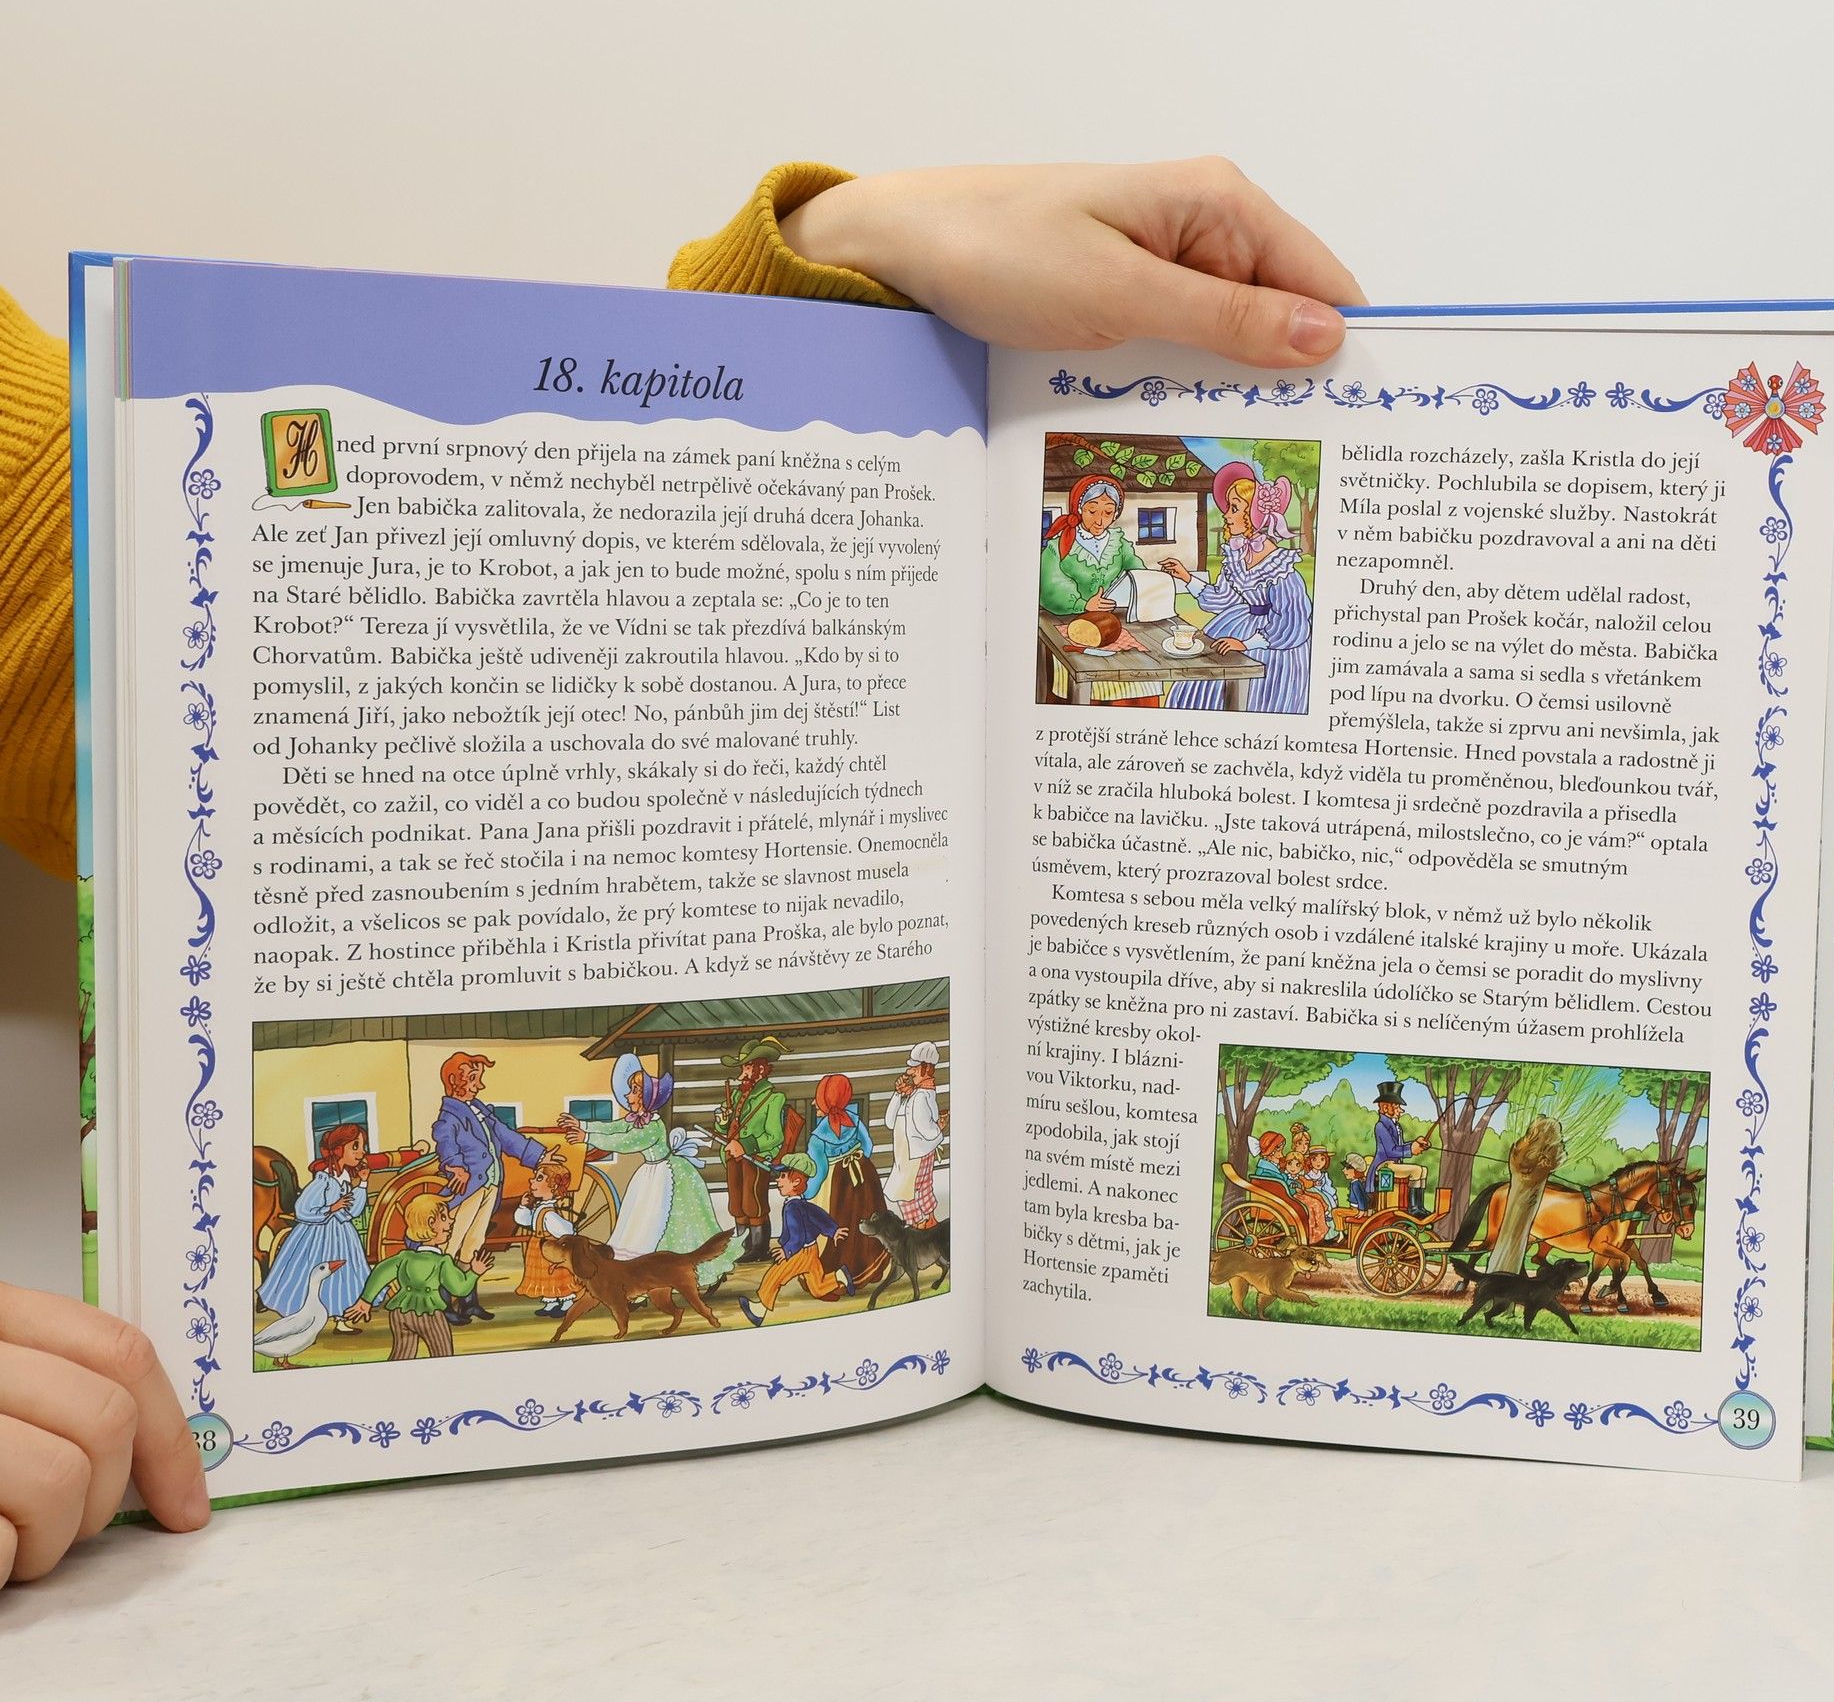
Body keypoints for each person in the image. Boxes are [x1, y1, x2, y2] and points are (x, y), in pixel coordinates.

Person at [0, 157, 1357, 1579]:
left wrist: (839, 262)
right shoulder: (575, 1110)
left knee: (759, 1192)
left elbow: (104, 637)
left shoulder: (729, 1100)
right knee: (583, 1207)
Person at [557, 1052, 743, 1292]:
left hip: (669, 1177)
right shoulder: (637, 1119)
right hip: (649, 1176)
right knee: (640, 1225)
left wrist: (587, 1137)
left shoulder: (652, 1127)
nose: (628, 1095)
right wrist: (583, 1125)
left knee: (671, 1227)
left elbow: (626, 1142)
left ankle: (695, 1274)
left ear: (644, 1097)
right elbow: (614, 1128)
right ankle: (640, 1279)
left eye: (634, 1090)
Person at [1160, 461, 1312, 714]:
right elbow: (1222, 598)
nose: (1226, 515)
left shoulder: (1280, 568)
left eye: (1234, 508)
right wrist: (1186, 577)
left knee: (1253, 694)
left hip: (1272, 645)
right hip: (1239, 622)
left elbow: (1292, 623)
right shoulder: (1239, 557)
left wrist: (1247, 643)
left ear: (1253, 516)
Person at [432, 1052, 563, 1325]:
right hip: (468, 1188)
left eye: (478, 1079)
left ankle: (469, 1303)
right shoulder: (450, 1116)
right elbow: (445, 1141)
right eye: (472, 1079)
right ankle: (443, 1305)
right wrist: (455, 1166)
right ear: (454, 1081)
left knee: (473, 1244)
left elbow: (506, 1136)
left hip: (489, 1186)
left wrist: (540, 1156)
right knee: (452, 1245)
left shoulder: (479, 1109)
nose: (479, 1085)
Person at [1038, 473, 1161, 707]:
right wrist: (1083, 604)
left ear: (1116, 514)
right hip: (1071, 622)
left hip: (1115, 623)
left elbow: (1136, 571)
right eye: (1092, 510)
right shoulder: (1060, 545)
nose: (1099, 520)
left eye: (1108, 512)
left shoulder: (1118, 543)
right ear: (1079, 509)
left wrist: (1146, 586)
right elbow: (1050, 584)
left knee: (1136, 665)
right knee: (1083, 669)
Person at [344, 1192, 490, 1359]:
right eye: (444, 1217)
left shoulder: (404, 1257)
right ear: (431, 1223)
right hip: (430, 1314)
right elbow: (460, 1288)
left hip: (400, 1313)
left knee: (402, 1355)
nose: (451, 1221)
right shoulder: (442, 1262)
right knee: (443, 1356)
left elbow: (381, 1271)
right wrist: (474, 1272)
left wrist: (365, 1300)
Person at [256, 1122, 372, 1333]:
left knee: (343, 1276)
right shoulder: (324, 1180)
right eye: (355, 1146)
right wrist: (332, 1207)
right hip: (316, 1236)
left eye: (362, 1146)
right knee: (311, 1274)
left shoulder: (344, 1179)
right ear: (339, 1150)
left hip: (342, 1235)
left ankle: (341, 1320)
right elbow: (303, 1209)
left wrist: (363, 1184)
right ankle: (305, 1321)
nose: (361, 1152)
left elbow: (352, 1211)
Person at [735, 1155, 853, 1327]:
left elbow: (797, 1235)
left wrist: (787, 1251)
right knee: (817, 1286)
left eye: (783, 1176)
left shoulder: (792, 1208)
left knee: (774, 1276)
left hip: (799, 1253)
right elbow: (818, 1216)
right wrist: (833, 1230)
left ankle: (759, 1310)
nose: (778, 1180)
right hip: (811, 1251)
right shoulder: (802, 1204)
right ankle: (839, 1276)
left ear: (796, 1181)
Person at [804, 1073, 889, 1288]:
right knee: (866, 1215)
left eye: (818, 1099)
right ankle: (871, 1267)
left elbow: (818, 1171)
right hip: (864, 1175)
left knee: (841, 1220)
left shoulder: (817, 1138)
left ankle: (839, 1271)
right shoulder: (855, 1120)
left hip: (838, 1183)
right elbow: (867, 1146)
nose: (814, 1103)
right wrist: (859, 1162)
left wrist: (807, 1193)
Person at [711, 1035, 790, 1263]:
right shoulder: (737, 1095)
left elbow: (775, 1137)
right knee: (736, 1203)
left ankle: (758, 1248)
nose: (743, 1072)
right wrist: (722, 1122)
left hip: (755, 1159)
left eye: (747, 1066)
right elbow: (728, 1127)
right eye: (743, 1067)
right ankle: (742, 1244)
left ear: (761, 1070)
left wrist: (745, 1145)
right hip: (732, 1157)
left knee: (753, 1202)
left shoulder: (773, 1098)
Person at [883, 1041, 946, 1227]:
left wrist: (938, 1129)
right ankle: (926, 1222)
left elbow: (926, 1128)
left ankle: (919, 1225)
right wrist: (899, 1094)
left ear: (926, 1069)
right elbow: (889, 1121)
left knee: (905, 1192)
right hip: (907, 1155)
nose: (910, 1072)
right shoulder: (914, 1094)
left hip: (915, 1154)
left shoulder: (921, 1096)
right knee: (919, 1189)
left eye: (915, 1068)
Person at [512, 1160, 580, 1319]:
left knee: (556, 1274)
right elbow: (525, 1221)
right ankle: (550, 1302)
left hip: (551, 1248)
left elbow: (565, 1230)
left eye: (539, 1178)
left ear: (553, 1186)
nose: (532, 1181)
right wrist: (523, 1207)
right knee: (545, 1275)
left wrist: (567, 1235)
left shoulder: (549, 1213)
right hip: (538, 1247)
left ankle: (566, 1302)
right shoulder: (540, 1207)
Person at [1369, 1080, 1432, 1217]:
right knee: (1416, 1170)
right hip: (1383, 1165)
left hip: (1393, 1164)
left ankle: (1419, 1206)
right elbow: (1391, 1150)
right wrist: (1411, 1149)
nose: (1400, 1110)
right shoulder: (1381, 1126)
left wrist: (1416, 1143)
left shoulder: (1396, 1126)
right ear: (1386, 1108)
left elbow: (1399, 1147)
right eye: (1397, 1106)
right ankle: (1413, 1208)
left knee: (1423, 1170)